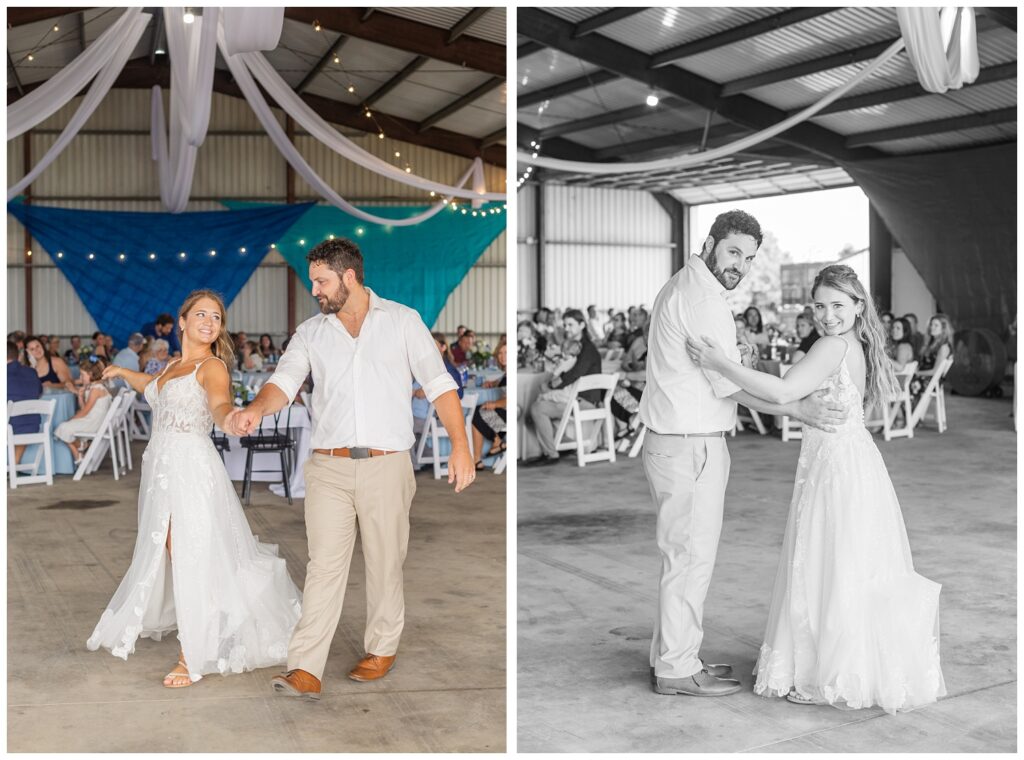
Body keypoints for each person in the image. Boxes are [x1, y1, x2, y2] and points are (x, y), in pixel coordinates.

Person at [686, 263, 945, 713]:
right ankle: (847, 665)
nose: (827, 315)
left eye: (838, 306)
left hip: (836, 468)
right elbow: (789, 395)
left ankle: (824, 669)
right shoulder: (854, 345)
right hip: (853, 461)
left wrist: (719, 364)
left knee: (827, 561)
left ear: (858, 306)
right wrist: (735, 379)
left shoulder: (830, 345)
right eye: (820, 306)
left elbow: (786, 393)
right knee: (847, 563)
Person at [224, 238, 475, 701]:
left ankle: (381, 648)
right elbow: (282, 382)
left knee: (385, 562)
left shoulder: (402, 322)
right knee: (324, 566)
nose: (315, 290)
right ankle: (305, 667)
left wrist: (461, 445)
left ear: (349, 276)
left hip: (387, 464)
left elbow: (440, 385)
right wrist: (257, 409)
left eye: (321, 281)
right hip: (329, 468)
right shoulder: (311, 333)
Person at [639, 209, 845, 698]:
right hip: (690, 445)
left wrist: (738, 363)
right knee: (690, 559)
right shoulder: (701, 298)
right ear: (710, 243)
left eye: (750, 258)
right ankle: (675, 668)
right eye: (734, 252)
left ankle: (674, 654)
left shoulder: (688, 288)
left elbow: (718, 373)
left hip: (680, 441)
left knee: (683, 557)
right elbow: (725, 387)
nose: (741, 265)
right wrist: (796, 409)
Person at [88, 289, 301, 688]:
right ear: (182, 322)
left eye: (216, 317)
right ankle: (205, 623)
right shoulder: (171, 366)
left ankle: (192, 654)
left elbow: (219, 406)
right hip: (161, 471)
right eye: (200, 314)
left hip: (191, 469)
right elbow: (152, 387)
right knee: (172, 550)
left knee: (191, 555)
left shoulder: (212, 366)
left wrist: (231, 419)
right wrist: (121, 374)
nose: (209, 322)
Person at [526, 308, 602, 466]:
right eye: (565, 325)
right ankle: (563, 444)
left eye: (570, 324)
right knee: (538, 407)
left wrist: (550, 385)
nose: (566, 328)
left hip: (583, 401)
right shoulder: (576, 346)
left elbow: (573, 375)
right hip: (575, 398)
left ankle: (551, 454)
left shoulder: (586, 349)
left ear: (582, 325)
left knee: (537, 408)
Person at [55, 356, 112, 466]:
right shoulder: (93, 386)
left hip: (94, 422)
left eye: (82, 375)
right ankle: (79, 449)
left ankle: (79, 450)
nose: (80, 377)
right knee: (63, 428)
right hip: (92, 420)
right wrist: (80, 396)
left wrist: (71, 419)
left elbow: (85, 411)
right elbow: (84, 407)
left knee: (63, 427)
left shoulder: (96, 389)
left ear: (90, 374)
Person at [412, 332, 464, 433]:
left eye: (432, 344)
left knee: (404, 428)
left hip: (437, 419)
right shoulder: (431, 366)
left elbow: (459, 394)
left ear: (443, 347)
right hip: (428, 417)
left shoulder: (447, 369)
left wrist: (429, 390)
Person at [471, 343, 507, 470]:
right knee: (476, 413)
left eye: (506, 353)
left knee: (477, 413)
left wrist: (494, 404)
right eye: (500, 353)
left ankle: (478, 459)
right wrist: (492, 383)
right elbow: (502, 381)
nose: (503, 356)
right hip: (505, 412)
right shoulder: (506, 372)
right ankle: (496, 442)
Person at [7, 340, 43, 464]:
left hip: (9, 427)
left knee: (12, 421)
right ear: (17, 355)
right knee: (21, 420)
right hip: (32, 426)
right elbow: (39, 392)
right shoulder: (31, 372)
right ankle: (13, 464)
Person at [909, 313, 955, 406]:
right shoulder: (932, 343)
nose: (931, 327)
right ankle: (908, 415)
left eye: (936, 325)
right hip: (924, 378)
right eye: (931, 324)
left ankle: (909, 416)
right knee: (900, 381)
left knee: (905, 384)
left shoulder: (943, 347)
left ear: (943, 329)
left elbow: (935, 371)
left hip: (930, 381)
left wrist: (916, 372)